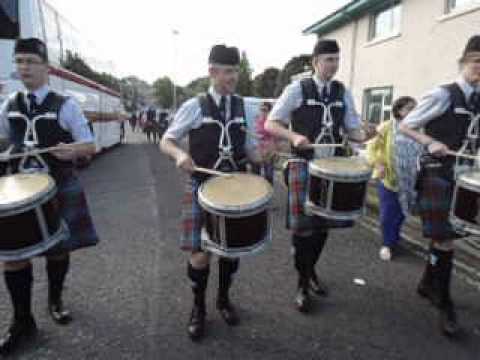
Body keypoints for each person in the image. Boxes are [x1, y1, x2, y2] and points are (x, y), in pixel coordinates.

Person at [0, 38, 99, 356]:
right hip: (17, 190)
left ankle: (55, 300)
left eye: (31, 61)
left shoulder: (65, 104)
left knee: (58, 250)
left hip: (56, 185)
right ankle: (22, 320)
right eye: (20, 61)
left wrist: (70, 150)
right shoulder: (9, 104)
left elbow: (89, 145)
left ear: (46, 67)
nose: (24, 67)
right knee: (13, 257)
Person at [161, 44, 255, 341]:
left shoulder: (244, 107)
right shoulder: (194, 106)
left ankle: (223, 299)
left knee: (230, 251)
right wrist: (179, 156)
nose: (232, 78)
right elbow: (167, 140)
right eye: (226, 72)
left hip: (236, 189)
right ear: (212, 72)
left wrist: (262, 155)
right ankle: (198, 307)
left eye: (235, 72)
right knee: (200, 255)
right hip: (202, 187)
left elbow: (250, 148)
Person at [266, 39, 365, 313]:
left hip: (333, 168)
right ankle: (301, 283)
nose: (333, 65)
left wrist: (365, 136)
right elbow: (271, 123)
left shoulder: (342, 92)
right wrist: (293, 135)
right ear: (315, 62)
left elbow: (352, 129)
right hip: (304, 165)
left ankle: (310, 272)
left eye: (336, 59)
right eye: (328, 59)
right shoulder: (297, 88)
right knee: (303, 229)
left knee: (322, 227)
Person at [399, 35, 480, 337]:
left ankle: (426, 284)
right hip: (437, 173)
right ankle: (445, 302)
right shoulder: (443, 95)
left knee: (448, 236)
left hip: (464, 177)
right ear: (463, 63)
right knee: (445, 239)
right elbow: (406, 125)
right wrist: (430, 141)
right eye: (476, 62)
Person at [366, 96, 417, 261]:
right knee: (388, 213)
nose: (414, 111)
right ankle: (387, 244)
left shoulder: (418, 127)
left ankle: (394, 238)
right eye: (410, 108)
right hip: (389, 177)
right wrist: (378, 164)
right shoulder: (387, 127)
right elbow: (372, 147)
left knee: (402, 212)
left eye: (415, 108)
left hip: (409, 179)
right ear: (399, 110)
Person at [253, 101, 276, 184]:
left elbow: (275, 135)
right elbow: (254, 132)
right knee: (256, 173)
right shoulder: (256, 119)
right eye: (261, 109)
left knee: (269, 174)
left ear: (269, 111)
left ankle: (269, 191)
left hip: (269, 149)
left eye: (265, 110)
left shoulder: (272, 121)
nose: (262, 112)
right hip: (258, 149)